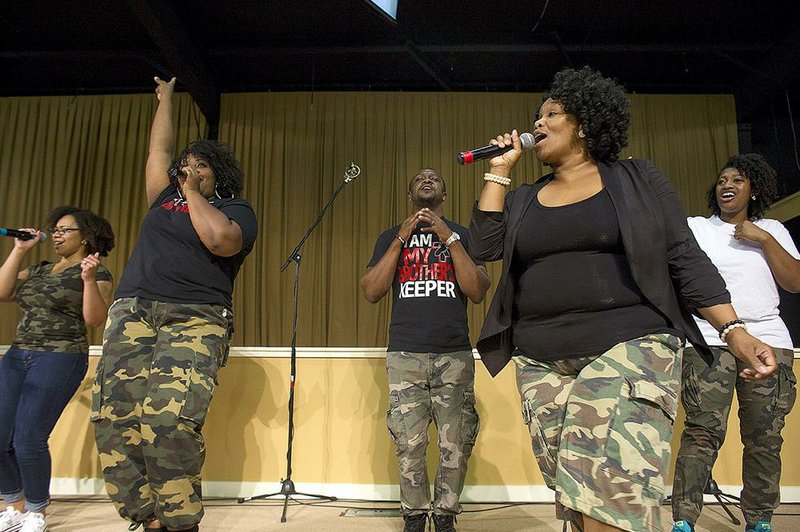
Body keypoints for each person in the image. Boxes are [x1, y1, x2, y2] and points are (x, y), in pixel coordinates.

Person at [467, 66, 777, 532]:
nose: (538, 123)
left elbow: (682, 256)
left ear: (586, 124)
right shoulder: (525, 198)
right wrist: (497, 171)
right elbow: (484, 248)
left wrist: (733, 329)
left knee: (609, 495)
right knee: (576, 497)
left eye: (553, 114)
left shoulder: (637, 179)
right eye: (537, 116)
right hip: (542, 359)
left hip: (630, 344)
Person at [91, 77, 258, 532]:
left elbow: (220, 242)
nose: (186, 170)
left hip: (195, 317)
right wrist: (165, 100)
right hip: (133, 311)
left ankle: (181, 522)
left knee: (167, 421)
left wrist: (193, 192)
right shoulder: (163, 197)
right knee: (113, 417)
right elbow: (158, 154)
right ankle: (148, 519)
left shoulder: (236, 210)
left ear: (217, 174)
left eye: (199, 166)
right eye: (186, 166)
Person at [671, 154, 799, 532]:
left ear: (753, 189)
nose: (727, 185)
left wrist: (763, 238)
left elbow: (794, 282)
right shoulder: (697, 228)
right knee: (702, 432)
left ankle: (759, 520)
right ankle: (684, 520)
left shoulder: (772, 228)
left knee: (764, 437)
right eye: (723, 179)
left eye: (738, 180)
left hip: (770, 340)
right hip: (710, 341)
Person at [360, 168, 490, 532]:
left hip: (454, 354)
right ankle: (414, 517)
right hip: (406, 355)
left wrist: (450, 239)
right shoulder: (390, 237)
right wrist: (401, 238)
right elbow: (371, 291)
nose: (427, 180)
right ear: (410, 193)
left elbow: (477, 290)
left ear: (444, 195)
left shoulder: (462, 235)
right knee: (409, 443)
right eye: (419, 178)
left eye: (434, 177)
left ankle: (446, 517)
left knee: (456, 444)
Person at [0, 206, 114, 532]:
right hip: (18, 354)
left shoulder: (97, 273)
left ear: (86, 237)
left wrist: (89, 279)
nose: (57, 235)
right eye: (56, 230)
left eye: (65, 230)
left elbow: (94, 319)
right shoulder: (39, 269)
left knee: (28, 438)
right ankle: (14, 506)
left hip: (60, 358)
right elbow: (3, 291)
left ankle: (36, 513)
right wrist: (19, 249)